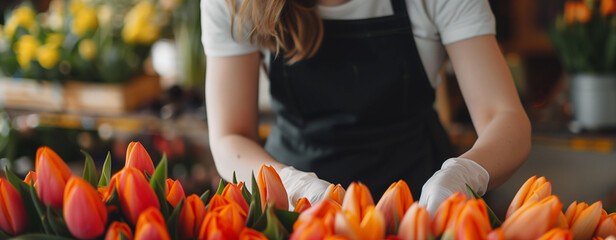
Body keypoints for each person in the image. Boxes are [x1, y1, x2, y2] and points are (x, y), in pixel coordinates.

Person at [201, 0, 531, 213]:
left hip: (419, 201)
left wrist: (462, 176)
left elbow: (505, 118)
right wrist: (292, 187)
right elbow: (231, 135)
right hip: (295, 209)